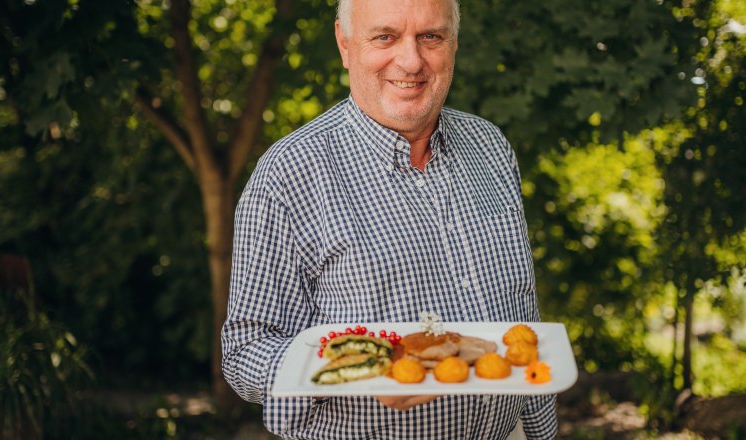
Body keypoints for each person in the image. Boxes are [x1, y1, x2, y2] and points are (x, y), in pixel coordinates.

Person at [222, 0, 558, 438]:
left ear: (453, 45)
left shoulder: (490, 147)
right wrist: (362, 370)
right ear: (345, 45)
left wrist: (539, 432)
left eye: (430, 37)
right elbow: (245, 352)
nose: (411, 60)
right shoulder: (289, 174)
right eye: (385, 36)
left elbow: (521, 314)